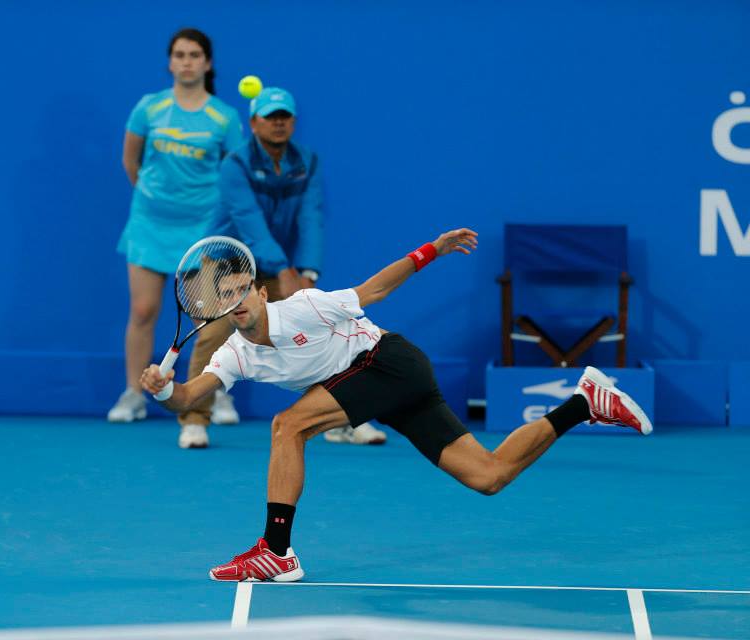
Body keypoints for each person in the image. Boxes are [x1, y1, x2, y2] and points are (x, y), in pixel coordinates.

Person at [140, 228, 653, 582]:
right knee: (489, 476)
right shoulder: (235, 353)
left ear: (259, 290)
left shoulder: (303, 307)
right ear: (219, 308)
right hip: (382, 389)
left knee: (287, 425)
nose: (237, 302)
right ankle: (586, 403)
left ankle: (275, 551)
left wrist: (435, 248)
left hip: (390, 363)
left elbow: (375, 289)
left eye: (243, 291)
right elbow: (188, 397)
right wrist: (164, 389)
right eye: (225, 297)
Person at [174, 86, 387, 448]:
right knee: (213, 333)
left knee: (328, 329)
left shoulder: (308, 162)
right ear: (254, 123)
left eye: (284, 117)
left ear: (293, 122)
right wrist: (284, 271)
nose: (278, 124)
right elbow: (249, 221)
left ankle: (344, 419)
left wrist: (308, 272)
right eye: (270, 118)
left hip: (280, 263)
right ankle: (194, 420)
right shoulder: (236, 164)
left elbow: (310, 218)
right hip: (227, 259)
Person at [108, 28, 244, 430]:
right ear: (170, 62)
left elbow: (234, 178)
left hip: (203, 230)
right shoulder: (149, 109)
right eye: (180, 54)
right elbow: (130, 161)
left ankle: (211, 395)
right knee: (143, 310)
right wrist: (155, 200)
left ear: (207, 63)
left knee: (208, 320)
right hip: (149, 224)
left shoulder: (224, 117)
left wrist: (207, 217)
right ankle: (134, 393)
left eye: (195, 54)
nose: (187, 61)